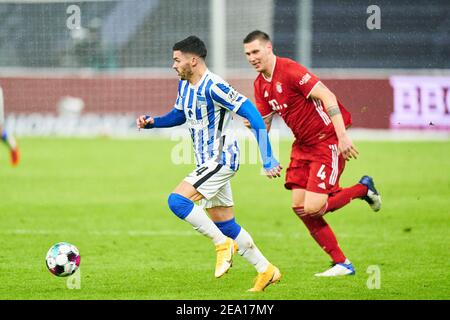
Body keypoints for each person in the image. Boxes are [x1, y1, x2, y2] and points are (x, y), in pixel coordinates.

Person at [136, 36, 283, 291]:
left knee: (177, 201)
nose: (173, 65)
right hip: (207, 161)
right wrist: (154, 122)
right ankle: (266, 270)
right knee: (225, 223)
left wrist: (268, 157)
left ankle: (221, 244)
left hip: (222, 158)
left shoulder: (214, 86)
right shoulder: (185, 85)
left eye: (176, 60)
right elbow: (180, 114)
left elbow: (252, 114)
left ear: (193, 60)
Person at [243, 30, 381, 277]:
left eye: (255, 51)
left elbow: (327, 96)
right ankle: (342, 263)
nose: (252, 57)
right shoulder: (259, 85)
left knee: (314, 207)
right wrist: (264, 153)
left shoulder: (290, 70)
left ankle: (363, 189)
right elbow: (263, 126)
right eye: (247, 54)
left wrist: (342, 137)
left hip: (326, 140)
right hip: (303, 145)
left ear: (268, 48)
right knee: (299, 206)